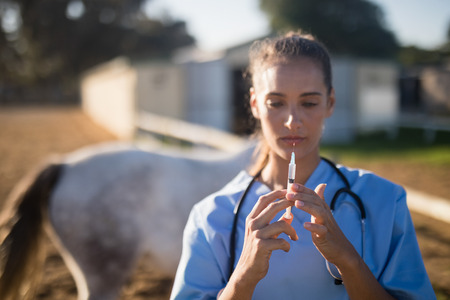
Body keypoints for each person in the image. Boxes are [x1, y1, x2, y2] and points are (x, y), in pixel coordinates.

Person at [170, 31, 435, 299]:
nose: (293, 120)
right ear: (255, 104)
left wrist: (349, 261)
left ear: (330, 102)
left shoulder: (383, 201)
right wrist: (242, 278)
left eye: (308, 102)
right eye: (276, 103)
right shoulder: (212, 217)